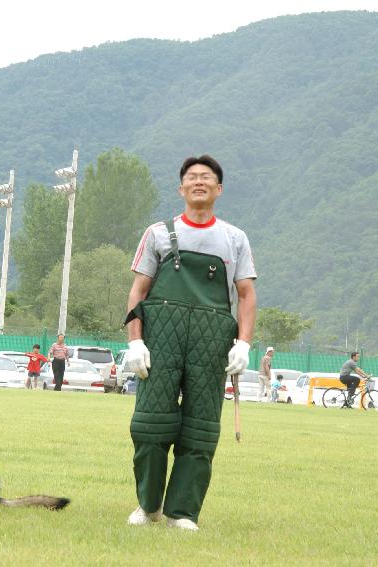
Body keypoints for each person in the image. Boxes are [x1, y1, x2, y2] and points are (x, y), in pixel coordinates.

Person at [123, 155, 257, 531]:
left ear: (219, 189)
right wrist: (136, 342)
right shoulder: (157, 233)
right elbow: (139, 291)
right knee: (150, 425)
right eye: (192, 178)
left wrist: (243, 344)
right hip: (160, 341)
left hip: (211, 345)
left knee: (200, 429)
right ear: (181, 188)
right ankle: (148, 506)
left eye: (207, 178)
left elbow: (246, 295)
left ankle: (182, 512)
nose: (200, 182)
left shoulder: (235, 239)